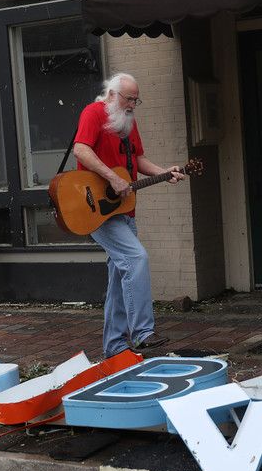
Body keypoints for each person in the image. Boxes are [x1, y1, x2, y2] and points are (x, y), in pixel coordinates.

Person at [72, 72, 185, 359]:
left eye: (136, 100)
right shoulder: (93, 113)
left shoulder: (128, 123)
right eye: (129, 99)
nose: (133, 105)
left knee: (120, 278)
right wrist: (112, 178)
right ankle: (143, 332)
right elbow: (81, 149)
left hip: (123, 210)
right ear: (112, 94)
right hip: (96, 210)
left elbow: (138, 159)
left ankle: (114, 347)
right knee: (136, 259)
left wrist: (164, 173)